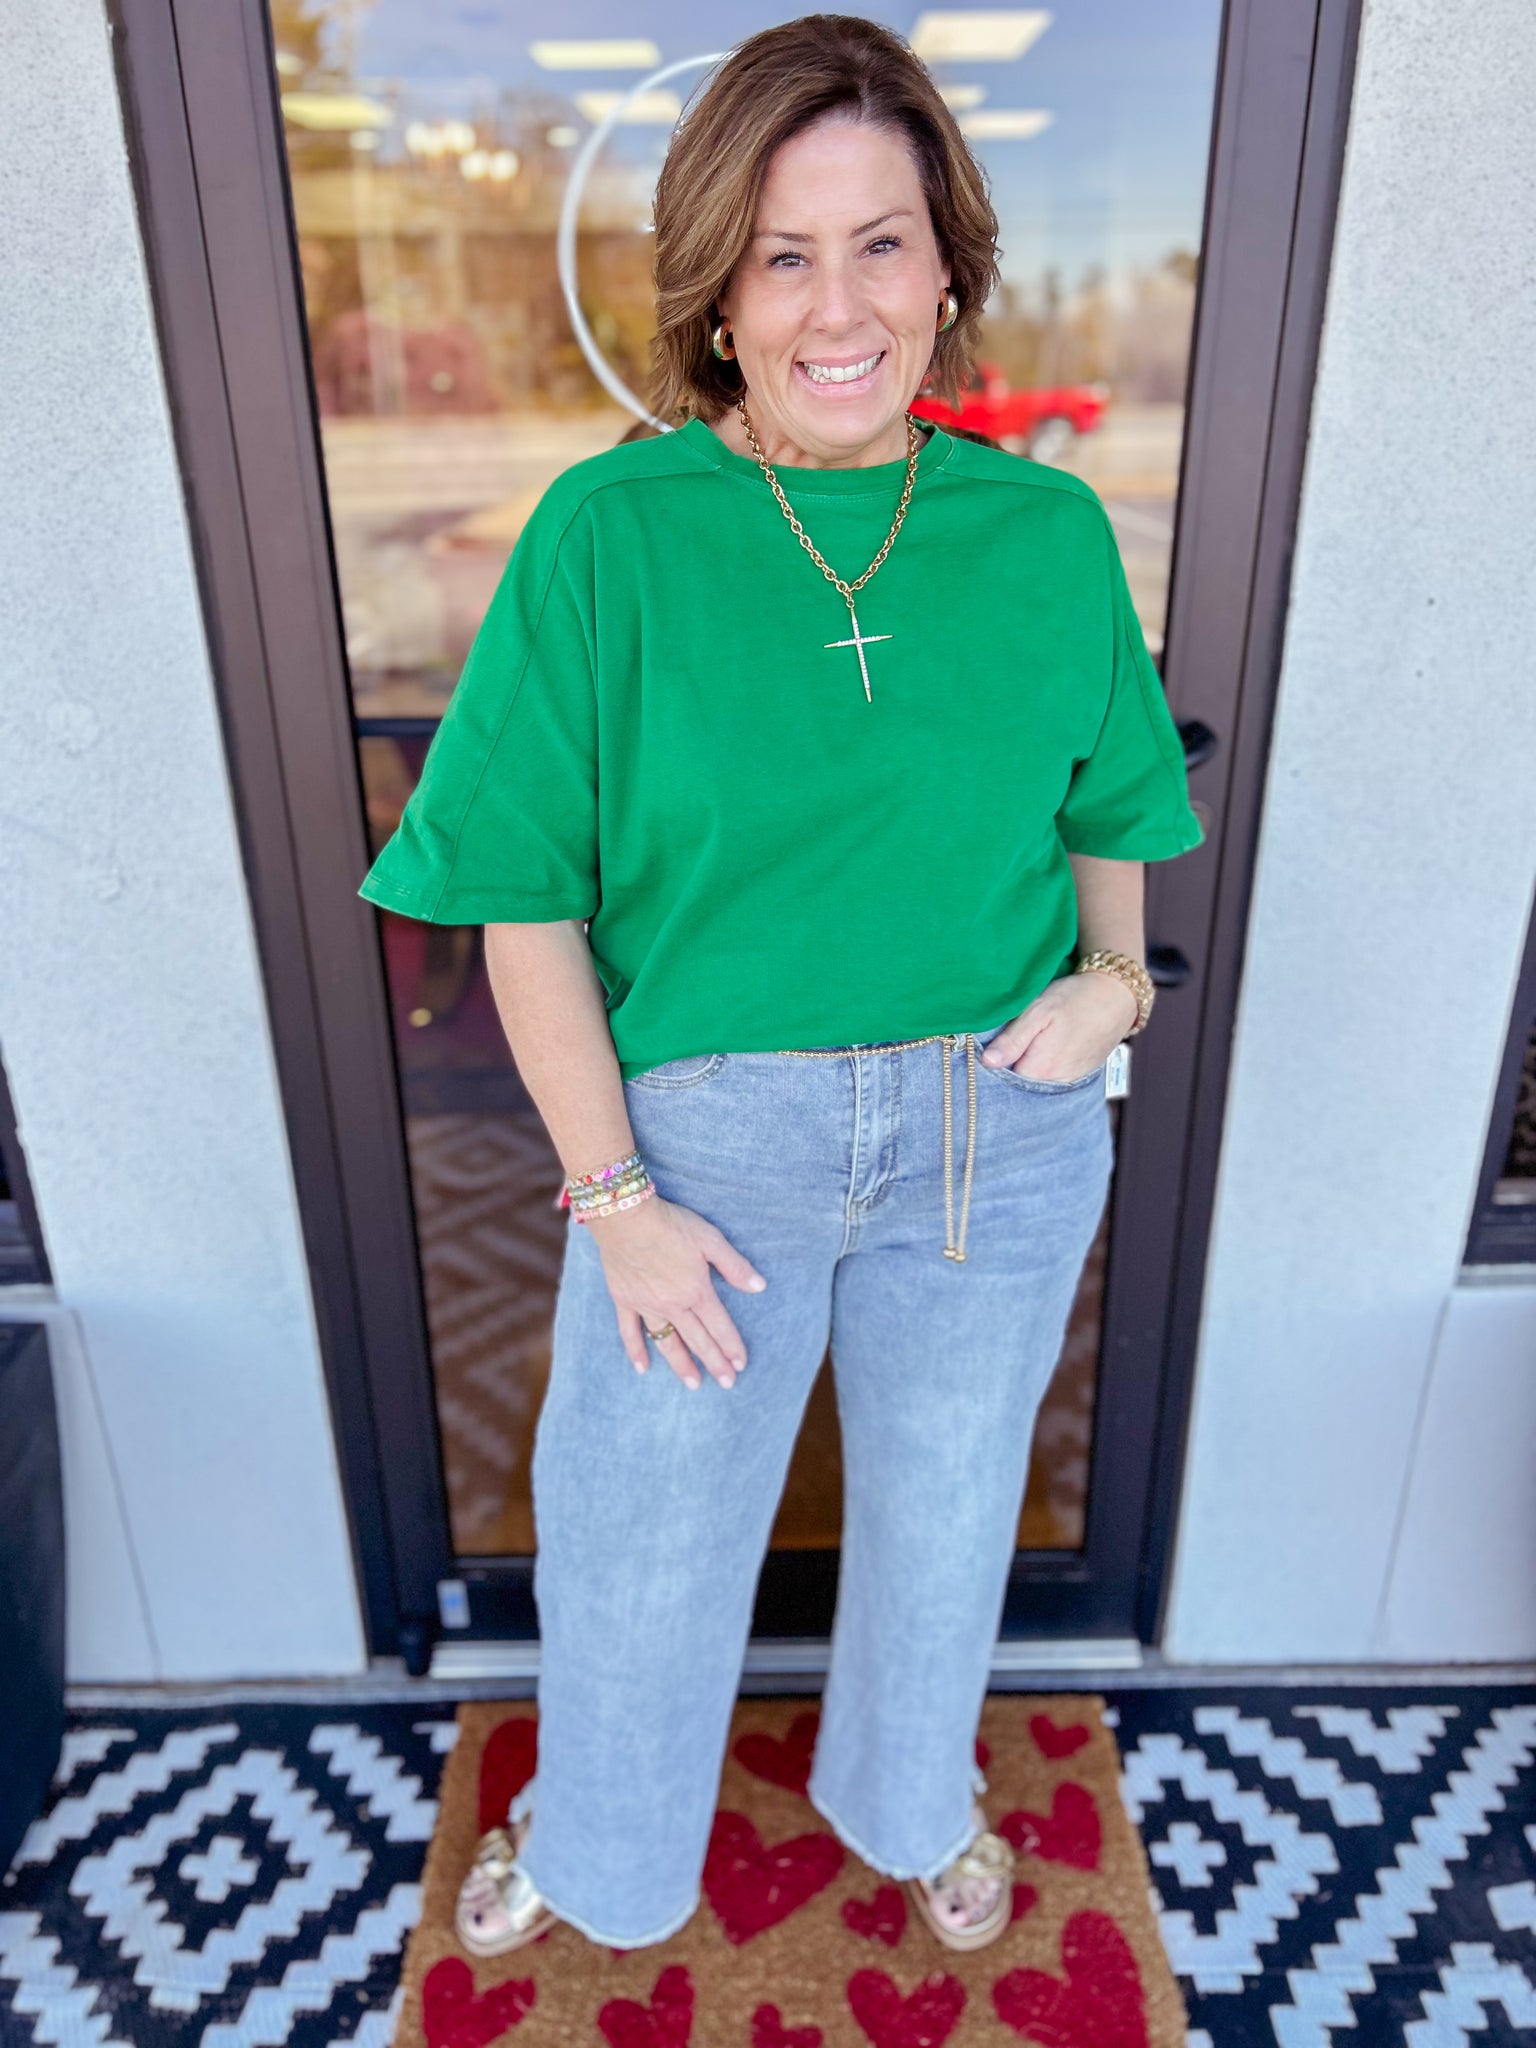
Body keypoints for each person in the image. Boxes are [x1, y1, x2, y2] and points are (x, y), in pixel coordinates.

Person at [357, 12, 1204, 1958]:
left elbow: (1113, 802)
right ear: (718, 296)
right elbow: (521, 903)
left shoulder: (1046, 533)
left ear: (948, 269)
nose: (840, 305)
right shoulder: (613, 535)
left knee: (949, 1506)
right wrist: (613, 1200)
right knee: (641, 1537)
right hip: (703, 1152)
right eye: (783, 254)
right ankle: (594, 1841)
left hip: (998, 1119)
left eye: (882, 244)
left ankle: (915, 1801)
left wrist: (1115, 979)